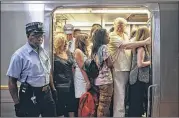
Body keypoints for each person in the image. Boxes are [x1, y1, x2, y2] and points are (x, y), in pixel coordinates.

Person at [6, 22, 57, 117]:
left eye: (41, 35)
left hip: (47, 93)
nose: (40, 38)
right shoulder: (19, 55)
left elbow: (48, 72)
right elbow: (11, 81)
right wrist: (17, 104)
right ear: (28, 36)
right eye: (35, 35)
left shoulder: (44, 52)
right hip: (30, 94)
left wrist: (53, 90)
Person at [108, 17, 151, 117]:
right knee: (120, 96)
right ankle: (118, 116)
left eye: (122, 25)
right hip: (119, 69)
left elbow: (131, 43)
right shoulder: (113, 36)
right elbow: (126, 45)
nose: (120, 27)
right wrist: (144, 42)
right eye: (118, 25)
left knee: (126, 96)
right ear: (114, 25)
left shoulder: (125, 36)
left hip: (128, 69)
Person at [128, 26, 151, 117]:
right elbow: (140, 64)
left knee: (135, 103)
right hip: (138, 78)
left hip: (135, 78)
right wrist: (151, 62)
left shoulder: (137, 47)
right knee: (137, 103)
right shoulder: (141, 48)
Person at [91, 29, 113, 117]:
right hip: (106, 80)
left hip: (98, 80)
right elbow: (110, 64)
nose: (109, 37)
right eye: (107, 36)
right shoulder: (104, 47)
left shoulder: (95, 49)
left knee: (101, 104)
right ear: (103, 38)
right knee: (104, 106)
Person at [53, 33, 76, 117]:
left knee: (71, 105)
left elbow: (74, 65)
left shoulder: (68, 53)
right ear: (59, 43)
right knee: (60, 107)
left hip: (71, 83)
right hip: (60, 85)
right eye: (63, 42)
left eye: (66, 42)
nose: (66, 43)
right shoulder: (53, 55)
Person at [74, 33, 91, 116]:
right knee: (81, 100)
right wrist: (87, 81)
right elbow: (82, 67)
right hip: (81, 77)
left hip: (82, 76)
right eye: (87, 39)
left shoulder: (82, 51)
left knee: (84, 100)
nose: (88, 41)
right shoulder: (78, 51)